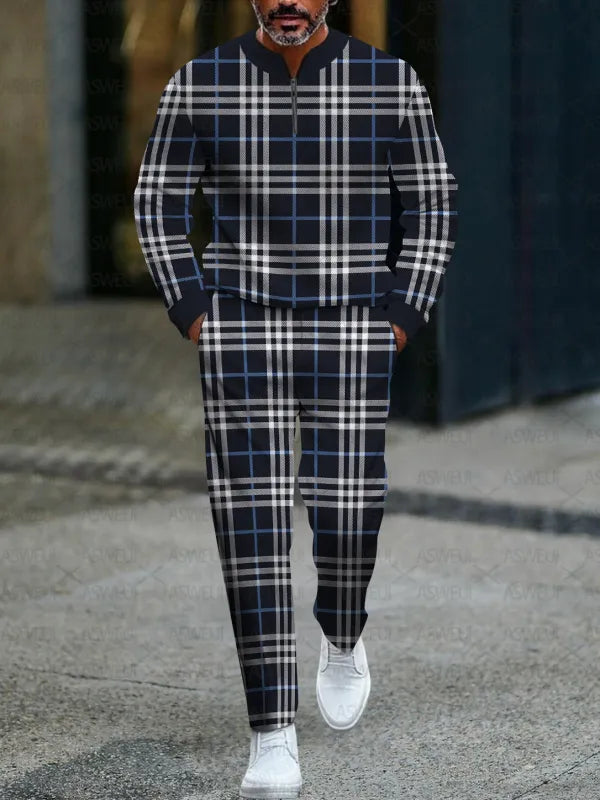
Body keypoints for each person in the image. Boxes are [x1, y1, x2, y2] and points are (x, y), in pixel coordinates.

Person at [134, 1, 458, 796]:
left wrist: (403, 315)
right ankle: (271, 731)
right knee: (249, 527)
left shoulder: (389, 81)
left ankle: (343, 632)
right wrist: (195, 311)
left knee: (348, 514)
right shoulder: (201, 82)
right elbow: (157, 202)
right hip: (242, 325)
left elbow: (432, 202)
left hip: (353, 324)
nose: (289, 0)